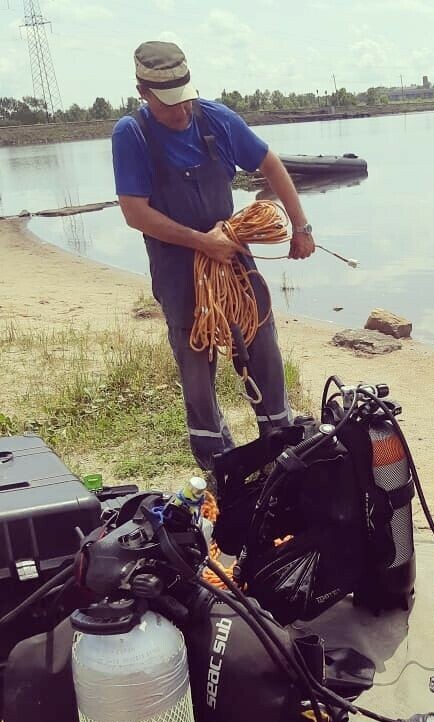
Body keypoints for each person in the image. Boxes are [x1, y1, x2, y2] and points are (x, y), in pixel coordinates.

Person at [112, 41, 315, 471]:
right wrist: (203, 243)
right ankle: (219, 466)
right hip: (179, 272)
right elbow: (135, 212)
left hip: (235, 264)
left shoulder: (217, 119)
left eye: (185, 98)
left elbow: (271, 164)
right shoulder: (132, 135)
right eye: (169, 104)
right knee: (197, 371)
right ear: (143, 93)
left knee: (264, 350)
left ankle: (282, 450)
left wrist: (301, 227)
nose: (182, 111)